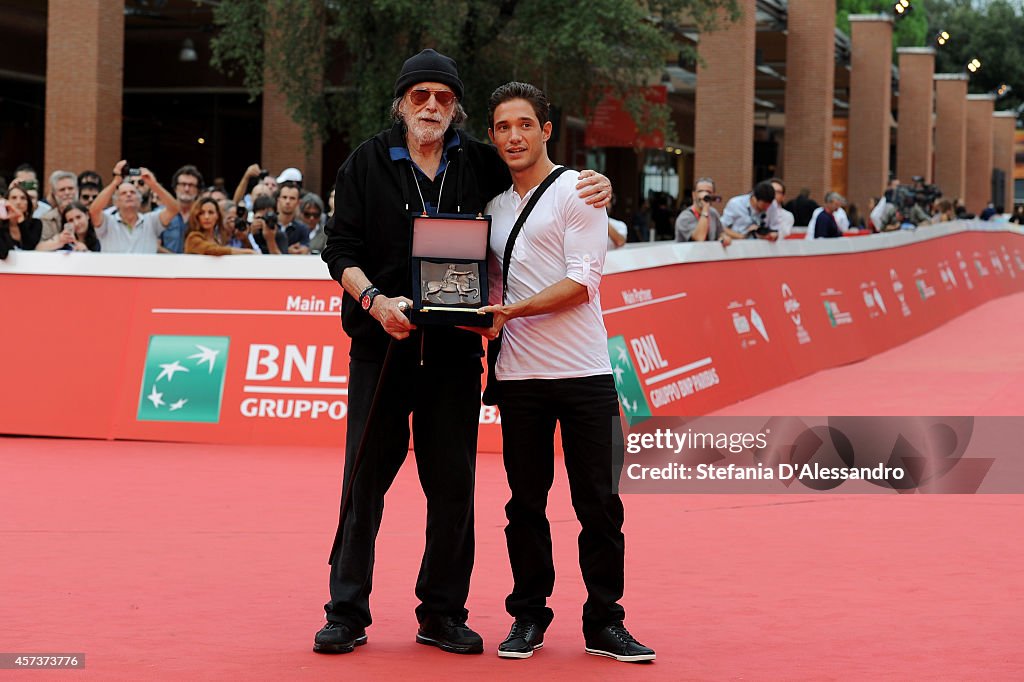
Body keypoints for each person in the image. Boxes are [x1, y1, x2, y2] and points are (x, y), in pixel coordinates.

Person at [316, 49, 610, 657]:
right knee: (363, 484)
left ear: (457, 107)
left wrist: (597, 184)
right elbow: (338, 251)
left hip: (454, 356)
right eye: (420, 95)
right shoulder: (364, 163)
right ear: (401, 102)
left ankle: (442, 613)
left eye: (443, 97)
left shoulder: (478, 162)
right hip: (382, 349)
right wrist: (374, 302)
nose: (431, 106)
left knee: (452, 488)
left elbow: (541, 180)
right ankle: (346, 612)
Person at [474, 81, 654, 663]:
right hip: (521, 379)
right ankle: (528, 617)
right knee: (524, 505)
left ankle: (606, 621)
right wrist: (480, 313)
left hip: (586, 377)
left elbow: (581, 285)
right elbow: (490, 283)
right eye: (502, 127)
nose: (513, 136)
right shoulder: (493, 209)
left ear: (545, 130)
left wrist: (511, 311)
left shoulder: (580, 193)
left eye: (524, 124)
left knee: (599, 503)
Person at [89, 161, 179, 253]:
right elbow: (94, 210)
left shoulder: (151, 222)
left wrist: (153, 184)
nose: (128, 194)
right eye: (123, 193)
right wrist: (115, 182)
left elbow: (174, 209)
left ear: (139, 200)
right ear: (116, 202)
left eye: (133, 192)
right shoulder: (108, 222)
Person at [184, 197, 255, 255]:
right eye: (201, 213)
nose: (206, 217)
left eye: (211, 212)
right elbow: (212, 250)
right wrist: (247, 252)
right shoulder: (193, 238)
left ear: (217, 216)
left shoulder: (218, 239)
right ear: (196, 216)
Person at [675, 176, 728, 244]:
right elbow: (699, 238)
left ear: (713, 195)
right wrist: (705, 208)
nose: (704, 194)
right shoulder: (685, 217)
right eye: (700, 191)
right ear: (694, 195)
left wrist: (723, 238)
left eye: (708, 192)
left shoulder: (713, 213)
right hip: (689, 254)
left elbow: (721, 233)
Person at [1, 184, 43, 256]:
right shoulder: (1, 224)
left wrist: (21, 219)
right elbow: (3, 253)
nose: (18, 202)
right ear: (6, 202)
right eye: (14, 198)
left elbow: (29, 247)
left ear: (28, 203)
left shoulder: (36, 223)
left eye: (23, 198)